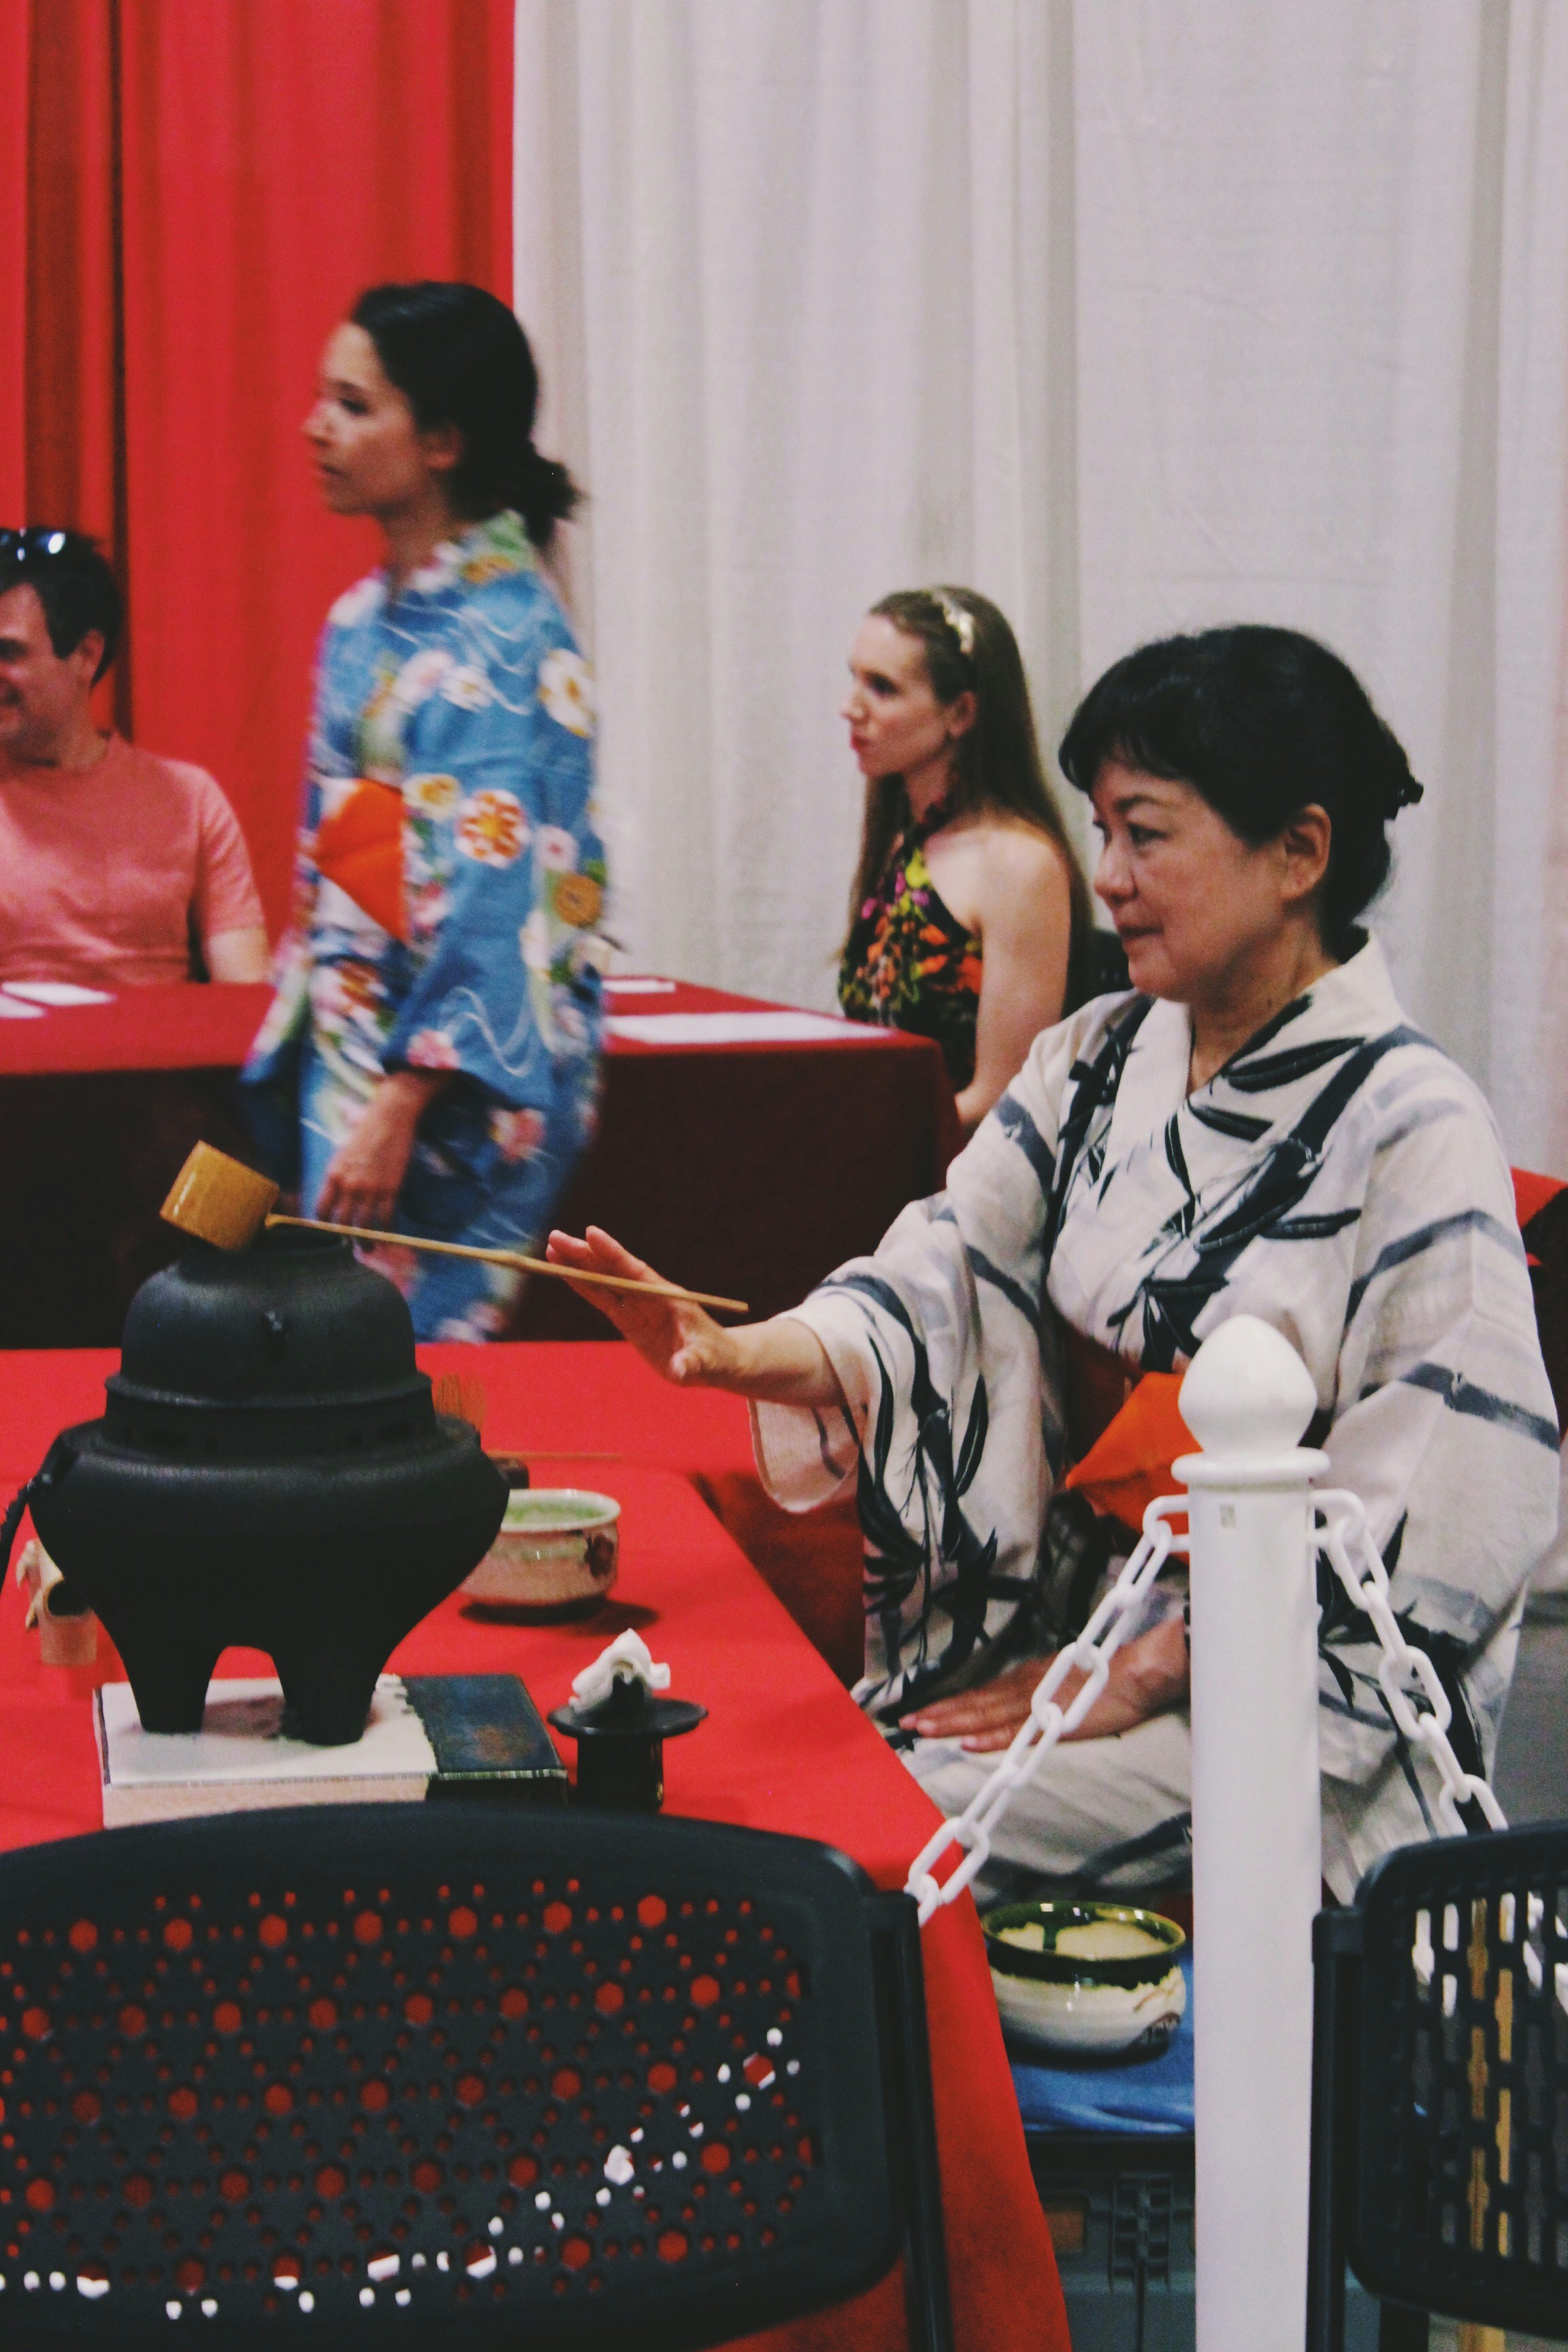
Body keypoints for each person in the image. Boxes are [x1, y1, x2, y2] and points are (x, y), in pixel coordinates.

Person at [549, 625, 1558, 1902]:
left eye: (1144, 834)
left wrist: (1147, 1663)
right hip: (1070, 1617)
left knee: (872, 1835)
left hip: (1285, 1706)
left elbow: (1442, 1506)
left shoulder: (1415, 1124)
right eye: (1101, 833)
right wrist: (736, 1350)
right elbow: (947, 1264)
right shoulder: (1094, 1057)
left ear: (1297, 852)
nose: (1107, 879)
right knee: (825, 1778)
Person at [242, 282, 604, 1342]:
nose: (317, 428)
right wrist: (345, 1054)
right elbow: (357, 871)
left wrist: (399, 1102)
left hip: (453, 1080)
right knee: (346, 1356)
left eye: (354, 406)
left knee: (406, 1373)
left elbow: (497, 900)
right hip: (370, 1037)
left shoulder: (503, 638)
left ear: (442, 438)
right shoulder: (367, 621)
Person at [837, 586, 1098, 1130]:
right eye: (855, 678)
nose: (851, 707)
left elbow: (1002, 1101)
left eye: (882, 688)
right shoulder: (902, 842)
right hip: (897, 1159)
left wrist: (852, 1138)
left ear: (960, 713)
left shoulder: (1020, 864)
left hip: (972, 1187)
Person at [0, 528, 268, 987]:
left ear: (86, 655)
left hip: (161, 1057)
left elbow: (246, 998)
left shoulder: (191, 801)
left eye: (8, 652)